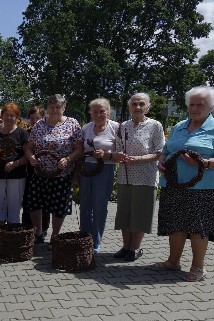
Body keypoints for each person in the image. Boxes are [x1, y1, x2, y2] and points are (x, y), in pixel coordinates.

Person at [154, 86, 214, 281]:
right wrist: (162, 159)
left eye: (200, 104)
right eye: (191, 104)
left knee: (198, 229)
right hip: (174, 185)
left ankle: (198, 268)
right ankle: (172, 262)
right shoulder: (179, 126)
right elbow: (167, 149)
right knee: (176, 225)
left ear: (210, 106)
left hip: (203, 188)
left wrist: (205, 163)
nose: (194, 108)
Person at [111, 92, 165, 261]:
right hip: (125, 176)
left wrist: (137, 159)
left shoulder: (155, 125)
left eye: (141, 104)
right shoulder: (123, 126)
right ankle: (126, 246)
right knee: (125, 213)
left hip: (146, 176)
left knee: (140, 213)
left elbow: (159, 152)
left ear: (147, 107)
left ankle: (135, 248)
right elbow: (118, 148)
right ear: (129, 107)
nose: (138, 107)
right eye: (134, 104)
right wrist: (119, 155)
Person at [24, 94, 83, 244]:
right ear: (47, 109)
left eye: (58, 107)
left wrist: (68, 158)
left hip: (61, 173)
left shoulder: (72, 123)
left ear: (64, 108)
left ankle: (55, 235)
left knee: (59, 207)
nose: (55, 110)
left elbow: (79, 149)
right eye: (51, 107)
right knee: (35, 203)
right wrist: (31, 157)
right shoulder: (39, 125)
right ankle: (38, 232)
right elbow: (28, 147)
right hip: (40, 172)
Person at [78, 98, 119, 253]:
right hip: (86, 168)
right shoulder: (86, 128)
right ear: (91, 113)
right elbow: (81, 150)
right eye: (95, 111)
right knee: (85, 204)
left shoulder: (116, 128)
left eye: (102, 111)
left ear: (108, 112)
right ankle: (84, 237)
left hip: (105, 169)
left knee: (100, 206)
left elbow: (121, 153)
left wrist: (106, 155)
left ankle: (96, 240)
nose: (99, 114)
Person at [0, 103, 28, 224]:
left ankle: (13, 234)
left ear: (17, 117)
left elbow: (27, 155)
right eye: (6, 115)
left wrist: (16, 163)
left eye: (12, 115)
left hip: (17, 174)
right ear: (2, 116)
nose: (9, 118)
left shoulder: (22, 133)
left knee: (14, 205)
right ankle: (1, 232)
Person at [22, 106, 48, 230]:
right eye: (32, 118)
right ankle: (27, 226)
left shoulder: (47, 132)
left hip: (44, 169)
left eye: (37, 118)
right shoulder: (26, 132)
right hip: (29, 170)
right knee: (28, 199)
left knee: (44, 200)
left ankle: (43, 228)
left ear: (43, 118)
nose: (34, 121)